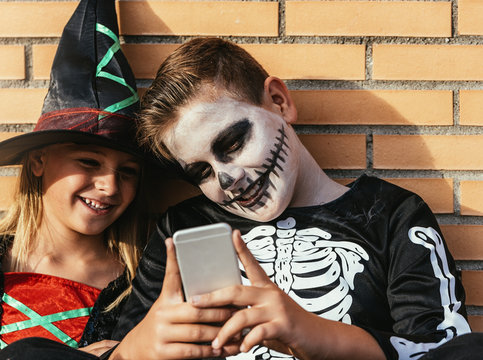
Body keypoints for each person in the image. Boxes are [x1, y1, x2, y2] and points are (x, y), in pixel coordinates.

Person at [105, 37, 473, 360]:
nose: (227, 179)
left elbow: (447, 347)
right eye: (201, 173)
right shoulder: (183, 229)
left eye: (233, 143)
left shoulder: (390, 216)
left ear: (279, 103)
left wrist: (315, 334)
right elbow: (117, 345)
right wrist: (135, 348)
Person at [0, 0, 152, 358]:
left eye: (128, 171)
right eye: (88, 161)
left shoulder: (145, 285)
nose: (110, 186)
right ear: (38, 161)